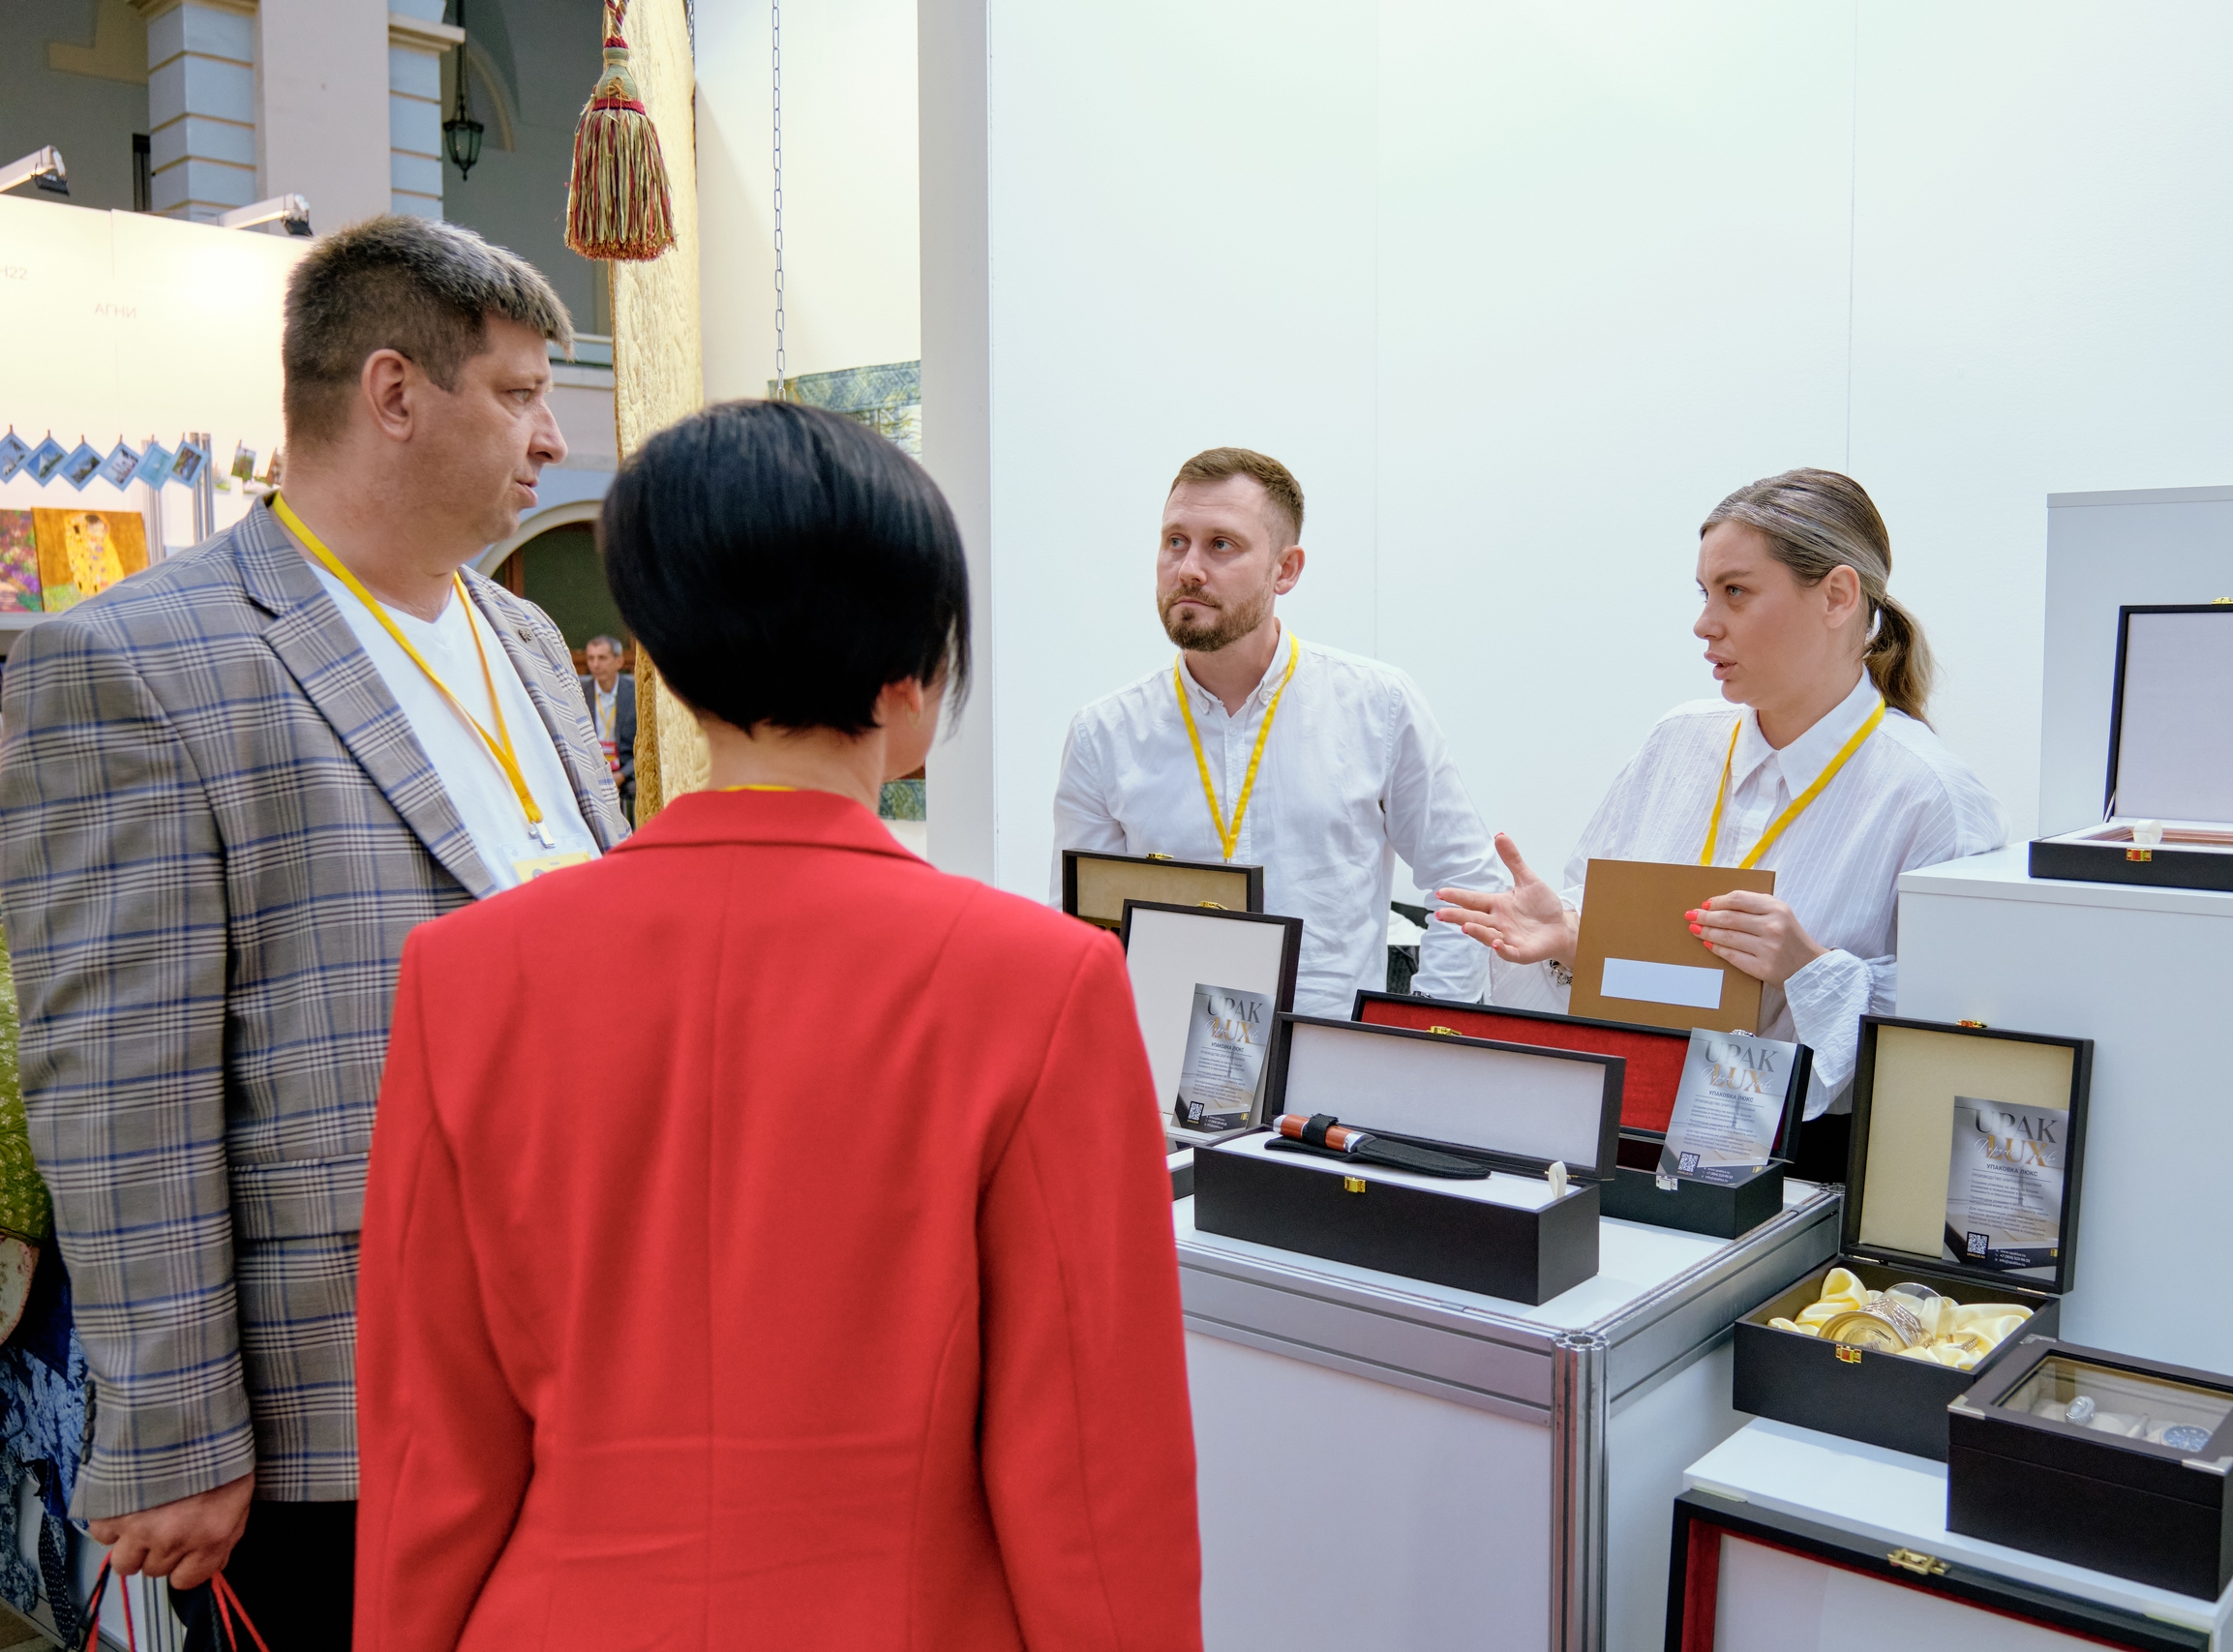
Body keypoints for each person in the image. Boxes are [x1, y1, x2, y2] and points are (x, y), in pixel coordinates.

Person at [353, 399, 1202, 1650]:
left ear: (663, 648)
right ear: (911, 677)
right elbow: (1089, 1471)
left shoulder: (465, 976)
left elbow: (431, 1450)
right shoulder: (1042, 985)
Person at [0, 216, 626, 1650]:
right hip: (332, 1391)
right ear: (394, 392)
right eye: (519, 394)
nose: (551, 439)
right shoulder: (139, 660)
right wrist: (174, 1429)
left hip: (576, 1343)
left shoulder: (527, 640)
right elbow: (121, 1083)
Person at [1436, 468, 2004, 1178]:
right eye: (1704, 593)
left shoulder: (1933, 795)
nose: (1705, 623)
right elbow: (1649, 980)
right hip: (1631, 1132)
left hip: (1808, 1172)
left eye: (1735, 591)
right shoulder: (1678, 741)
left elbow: (1956, 1038)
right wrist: (1574, 939)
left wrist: (1811, 970)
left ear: (1837, 595)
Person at [1053, 447, 1501, 1015]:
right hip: (1162, 1061)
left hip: (1327, 1058)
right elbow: (1081, 936)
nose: (1188, 568)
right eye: (1175, 541)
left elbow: (1468, 883)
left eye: (1221, 544)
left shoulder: (1377, 706)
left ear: (1285, 570)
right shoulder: (1103, 735)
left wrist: (1417, 1035)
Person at [581, 631, 637, 814]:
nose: (595, 665)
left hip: (626, 771)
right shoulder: (579, 692)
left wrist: (621, 775)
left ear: (619, 661)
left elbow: (646, 745)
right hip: (591, 770)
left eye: (602, 658)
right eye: (591, 658)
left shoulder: (635, 693)